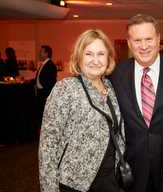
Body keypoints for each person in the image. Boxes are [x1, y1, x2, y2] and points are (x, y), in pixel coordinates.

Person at [39, 29, 125, 192]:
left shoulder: (110, 87)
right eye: (88, 54)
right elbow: (48, 147)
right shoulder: (65, 89)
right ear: (79, 57)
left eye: (101, 54)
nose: (95, 60)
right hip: (75, 184)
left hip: (109, 180)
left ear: (108, 58)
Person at [110, 14, 163, 192]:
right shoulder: (115, 75)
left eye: (148, 39)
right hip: (133, 170)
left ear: (158, 39)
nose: (144, 46)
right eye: (137, 40)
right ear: (129, 43)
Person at [35, 45, 57, 127]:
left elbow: (51, 82)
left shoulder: (51, 65)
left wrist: (47, 95)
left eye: (41, 52)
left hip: (45, 94)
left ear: (46, 53)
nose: (39, 54)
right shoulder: (43, 64)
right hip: (40, 94)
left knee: (45, 116)